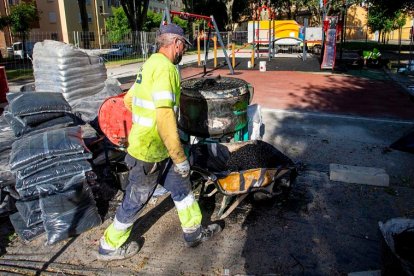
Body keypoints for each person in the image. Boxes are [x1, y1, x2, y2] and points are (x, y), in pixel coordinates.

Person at [97, 23, 222, 261]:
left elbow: (129, 99)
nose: (183, 51)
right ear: (176, 43)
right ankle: (109, 245)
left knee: (181, 187)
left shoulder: (150, 64)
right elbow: (165, 116)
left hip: (154, 147)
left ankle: (193, 232)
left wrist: (146, 124)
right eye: (183, 46)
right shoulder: (166, 69)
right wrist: (179, 157)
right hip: (149, 153)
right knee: (136, 199)